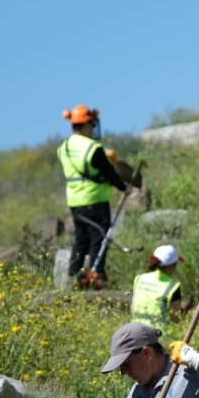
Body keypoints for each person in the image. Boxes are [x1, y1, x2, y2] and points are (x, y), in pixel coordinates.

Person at [59, 104, 131, 285]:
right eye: (91, 125)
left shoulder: (64, 147)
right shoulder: (92, 148)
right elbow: (109, 173)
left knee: (81, 237)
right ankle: (97, 273)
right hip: (95, 198)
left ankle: (75, 273)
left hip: (74, 200)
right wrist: (123, 188)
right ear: (86, 125)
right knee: (99, 236)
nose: (92, 129)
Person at [131, 244, 185, 330]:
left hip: (135, 331)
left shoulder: (140, 279)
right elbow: (176, 318)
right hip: (159, 336)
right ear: (171, 266)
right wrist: (186, 312)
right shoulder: (173, 286)